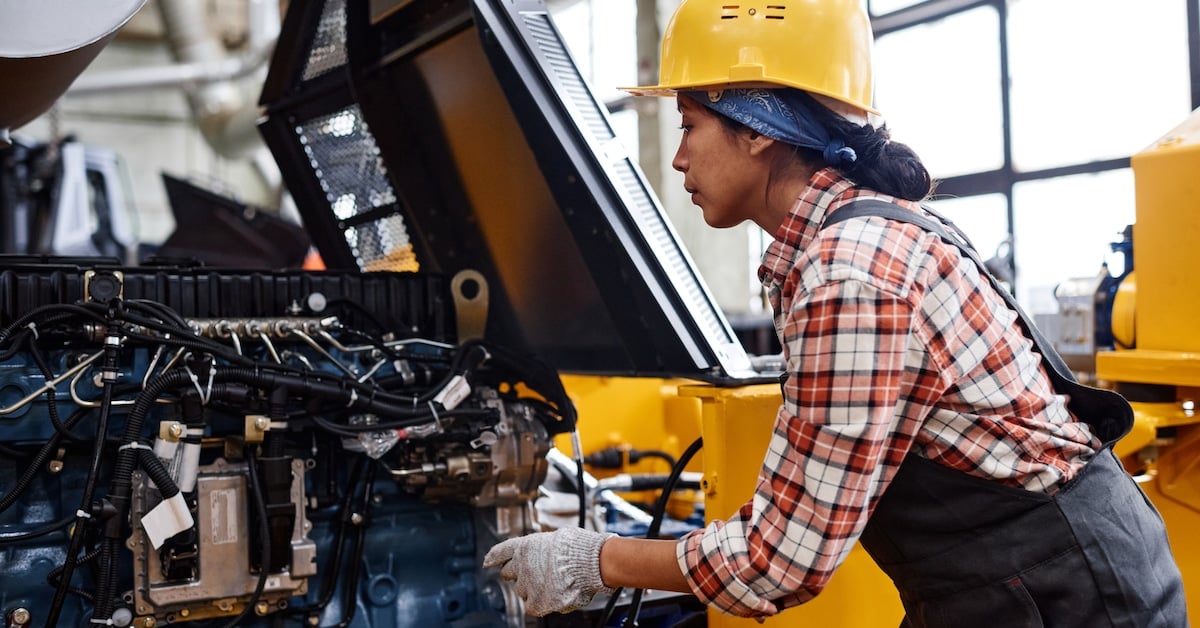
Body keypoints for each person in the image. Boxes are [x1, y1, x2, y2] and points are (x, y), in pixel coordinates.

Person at [483, 0, 1189, 625]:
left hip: (1068, 597)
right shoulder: (848, 240)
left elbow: (779, 561)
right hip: (1007, 585)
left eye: (690, 124)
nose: (677, 159)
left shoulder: (851, 269)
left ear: (756, 127)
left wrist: (592, 560)